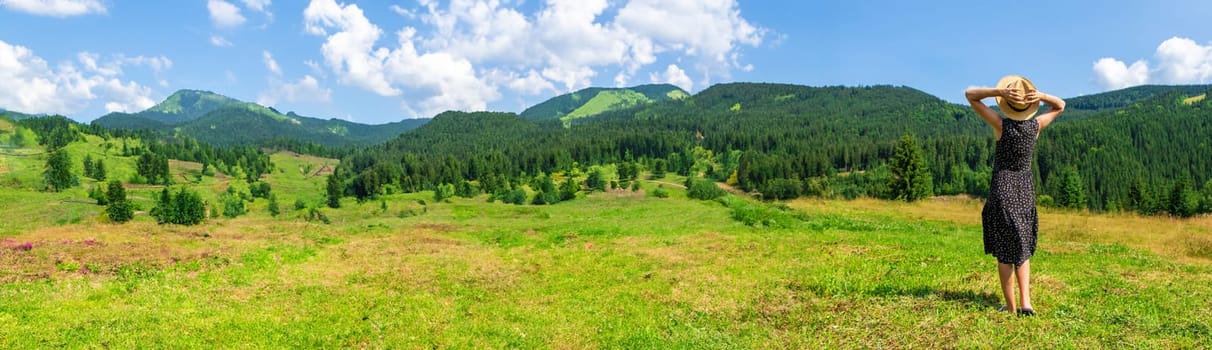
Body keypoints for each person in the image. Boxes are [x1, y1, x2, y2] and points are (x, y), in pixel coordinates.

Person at [964, 75, 1065, 316]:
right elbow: (1060, 105)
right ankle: (1026, 304)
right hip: (1025, 191)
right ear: (1030, 107)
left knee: (1004, 252)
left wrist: (998, 91)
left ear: (1007, 103)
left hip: (1003, 189)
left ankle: (1010, 309)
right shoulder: (1036, 127)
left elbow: (970, 95)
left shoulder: (1001, 125)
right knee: (1022, 248)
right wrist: (1040, 96)